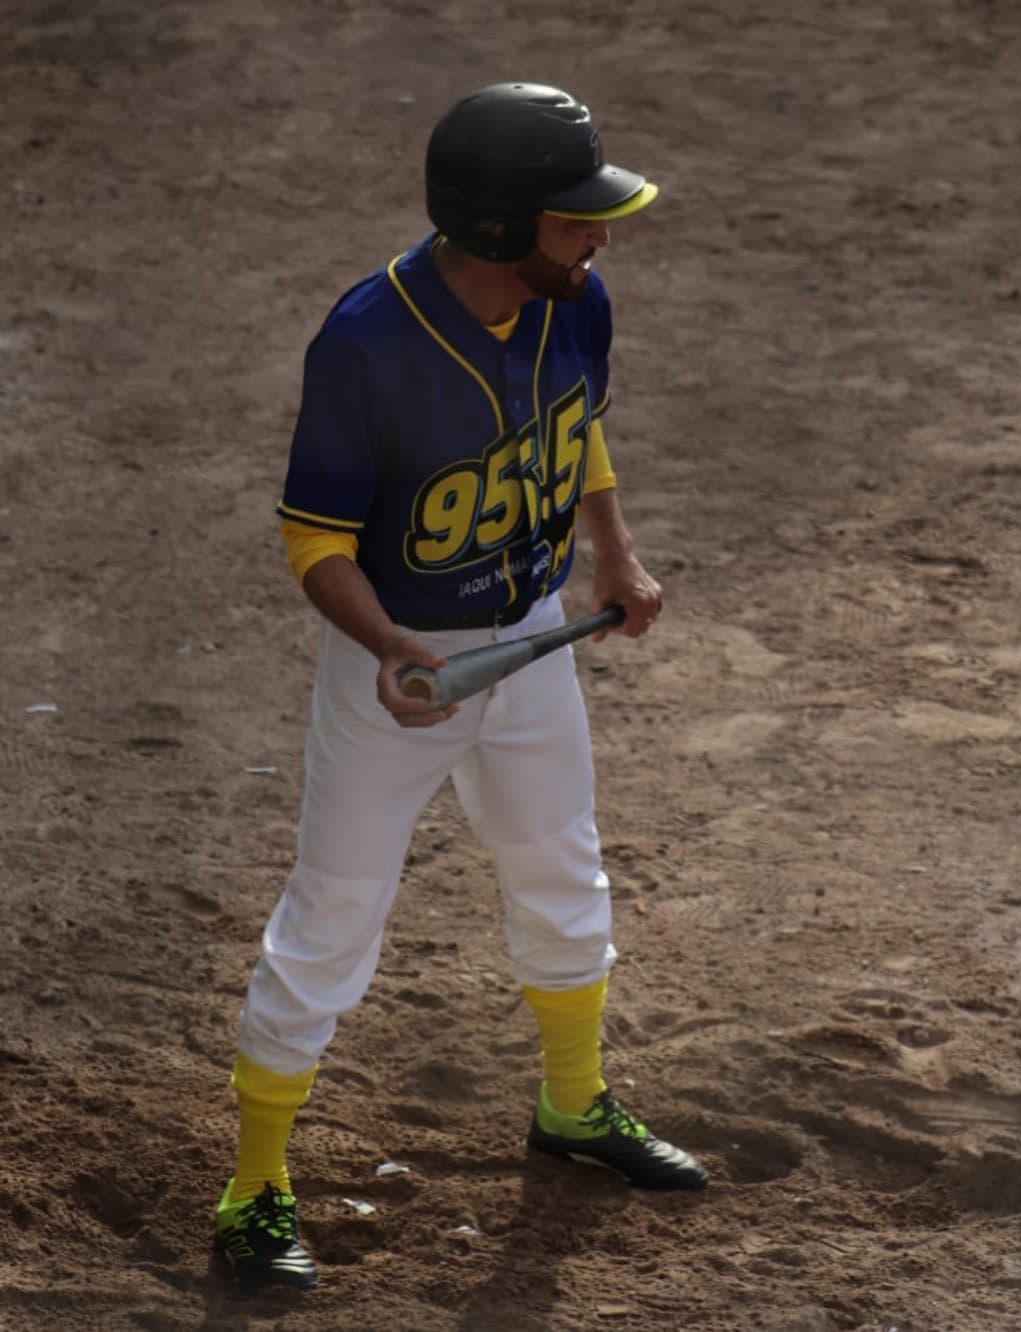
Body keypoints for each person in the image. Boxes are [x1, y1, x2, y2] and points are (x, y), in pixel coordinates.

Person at [213, 81, 708, 1293]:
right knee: (333, 915)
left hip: (529, 635)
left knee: (562, 865)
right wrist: (390, 647)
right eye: (571, 216)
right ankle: (252, 1187)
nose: (595, 237)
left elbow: (575, 423)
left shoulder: (574, 302)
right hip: (402, 670)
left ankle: (574, 1106)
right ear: (496, 225)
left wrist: (612, 550)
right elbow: (314, 540)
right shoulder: (367, 344)